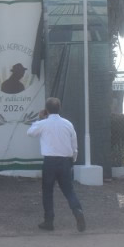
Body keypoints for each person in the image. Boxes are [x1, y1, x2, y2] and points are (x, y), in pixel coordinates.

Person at [25, 97, 87, 233]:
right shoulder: (68, 124)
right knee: (69, 190)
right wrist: (72, 160)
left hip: (50, 162)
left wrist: (40, 119)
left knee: (47, 191)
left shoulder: (43, 123)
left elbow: (30, 132)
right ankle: (77, 211)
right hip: (65, 161)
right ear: (60, 108)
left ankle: (49, 221)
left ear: (46, 110)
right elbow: (74, 145)